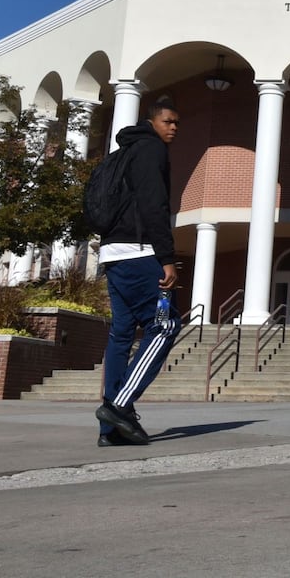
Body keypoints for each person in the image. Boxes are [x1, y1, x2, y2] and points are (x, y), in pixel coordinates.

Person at [95, 100, 182, 446]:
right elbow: (154, 205)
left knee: (121, 334)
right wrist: (167, 257)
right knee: (164, 325)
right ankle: (119, 406)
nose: (173, 127)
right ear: (151, 121)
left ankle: (110, 430)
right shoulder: (151, 150)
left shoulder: (122, 153)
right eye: (168, 120)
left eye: (177, 123)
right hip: (140, 253)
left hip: (113, 255)